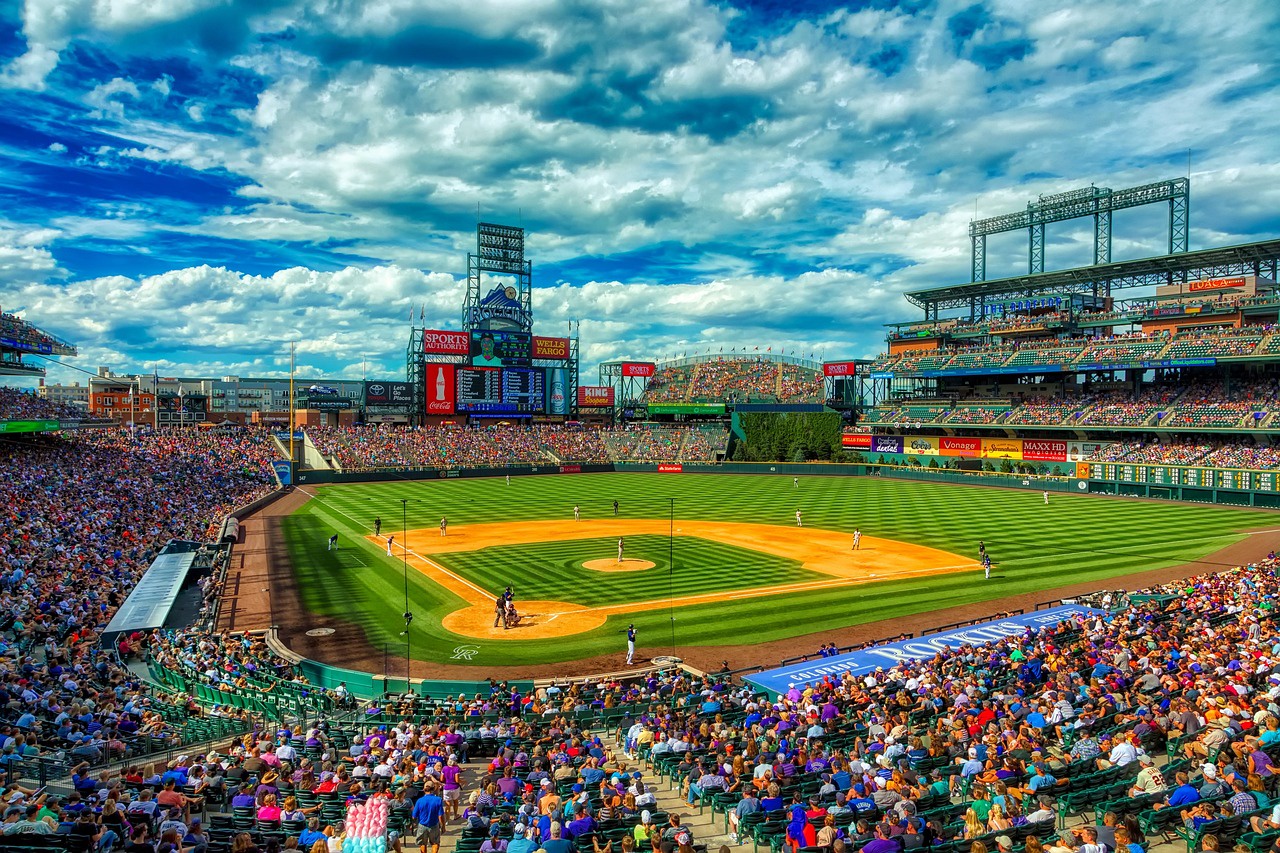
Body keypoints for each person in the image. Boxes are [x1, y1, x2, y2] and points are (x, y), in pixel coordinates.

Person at [413, 781, 444, 853]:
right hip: (434, 825)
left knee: (422, 844)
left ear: (424, 790)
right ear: (433, 789)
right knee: (435, 843)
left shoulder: (419, 801)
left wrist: (413, 823)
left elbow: (414, 815)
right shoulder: (438, 800)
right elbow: (441, 815)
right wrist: (443, 826)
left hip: (422, 825)